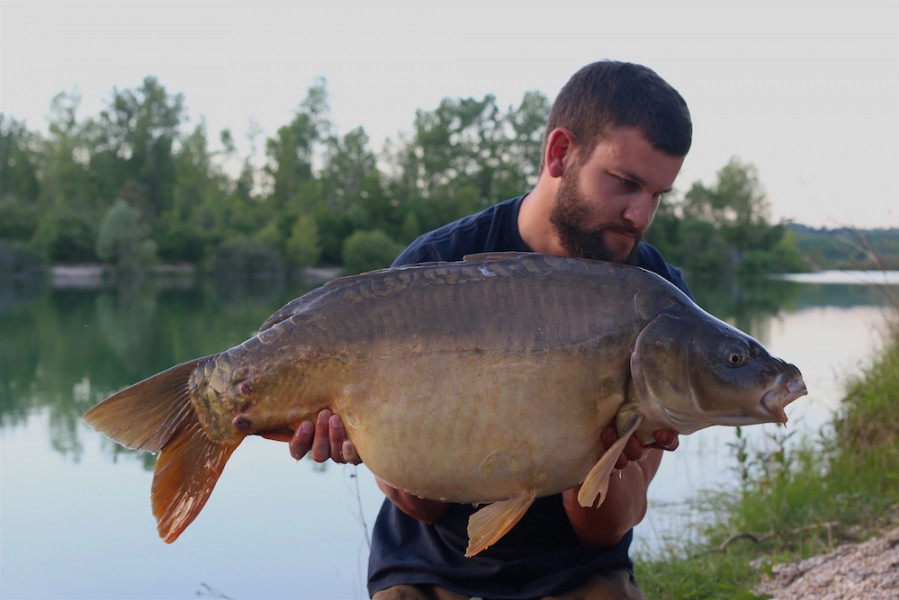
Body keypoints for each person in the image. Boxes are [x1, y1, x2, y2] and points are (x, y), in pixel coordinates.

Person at [289, 60, 693, 599]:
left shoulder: (656, 299)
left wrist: (605, 456)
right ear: (559, 154)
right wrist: (367, 441)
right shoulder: (433, 269)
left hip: (575, 570)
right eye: (624, 183)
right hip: (431, 564)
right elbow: (425, 508)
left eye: (658, 195)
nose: (640, 214)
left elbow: (606, 528)